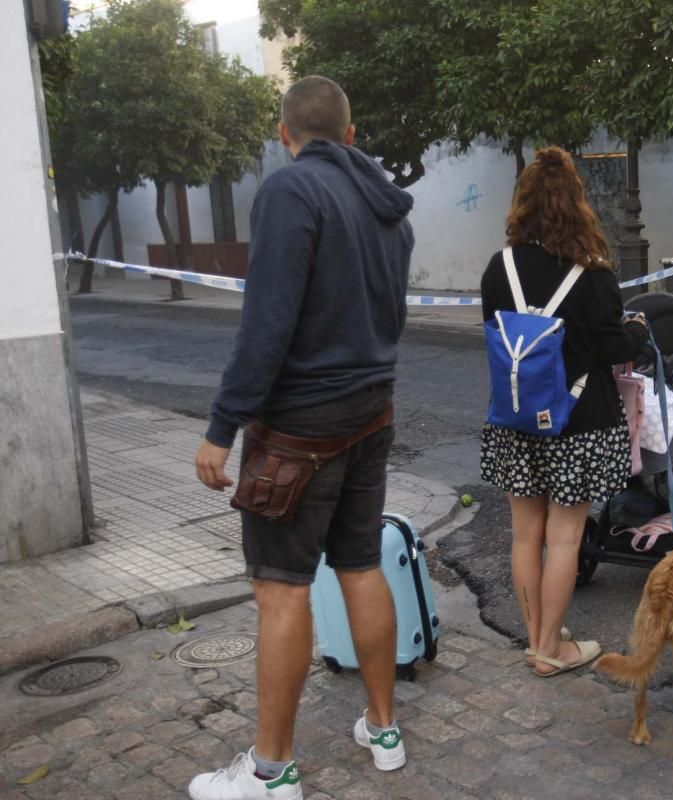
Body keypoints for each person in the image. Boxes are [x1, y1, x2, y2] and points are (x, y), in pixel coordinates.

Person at [190, 75, 415, 800]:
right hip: (371, 411)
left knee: (280, 592)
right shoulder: (389, 210)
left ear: (285, 136)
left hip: (300, 429)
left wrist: (222, 427)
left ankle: (271, 770)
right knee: (358, 566)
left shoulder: (291, 192)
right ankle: (383, 730)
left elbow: (267, 324)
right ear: (349, 135)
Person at [479, 146, 649, 677]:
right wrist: (636, 334)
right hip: (578, 421)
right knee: (565, 538)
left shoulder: (498, 268)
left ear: (522, 203)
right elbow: (611, 347)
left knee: (526, 534)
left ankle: (537, 638)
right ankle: (551, 649)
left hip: (515, 417)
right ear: (578, 204)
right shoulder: (592, 274)